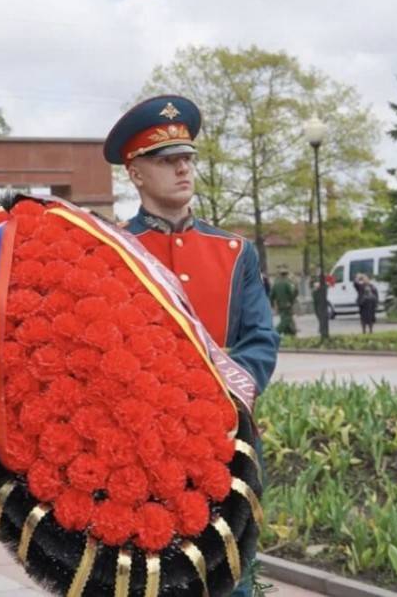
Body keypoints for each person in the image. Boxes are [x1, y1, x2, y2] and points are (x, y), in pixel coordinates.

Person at [104, 94, 279, 597]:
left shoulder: (234, 251)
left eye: (187, 158)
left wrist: (213, 404)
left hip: (224, 441)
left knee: (230, 577)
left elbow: (259, 340)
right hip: (144, 451)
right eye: (166, 160)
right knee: (149, 580)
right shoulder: (113, 250)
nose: (183, 168)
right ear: (136, 173)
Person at [270, 264, 299, 336]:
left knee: (286, 319)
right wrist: (292, 300)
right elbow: (291, 293)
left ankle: (290, 334)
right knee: (286, 320)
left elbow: (271, 296)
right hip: (287, 305)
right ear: (286, 274)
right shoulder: (287, 283)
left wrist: (272, 305)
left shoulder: (275, 284)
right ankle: (275, 333)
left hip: (280, 305)